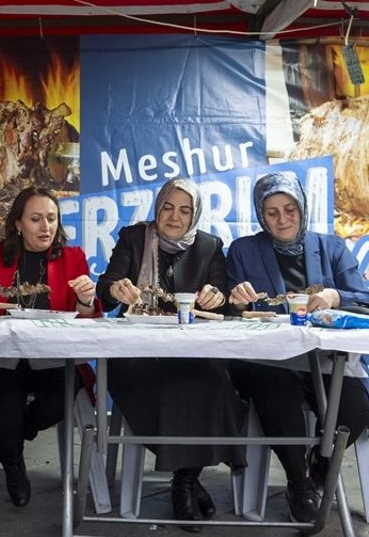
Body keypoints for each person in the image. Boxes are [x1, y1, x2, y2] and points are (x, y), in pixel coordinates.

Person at [224, 173, 369, 523]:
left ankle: (319, 468)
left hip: (327, 357)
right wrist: (238, 301)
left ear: (302, 208)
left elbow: (364, 299)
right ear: (261, 215)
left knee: (354, 408)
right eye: (272, 212)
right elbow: (229, 311)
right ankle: (298, 483)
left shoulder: (332, 247)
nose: (282, 219)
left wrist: (334, 296)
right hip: (268, 359)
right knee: (276, 393)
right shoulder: (244, 250)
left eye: (289, 209)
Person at [96, 178, 243, 531]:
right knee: (170, 387)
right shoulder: (134, 238)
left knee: (216, 382)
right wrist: (116, 289)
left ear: (195, 215)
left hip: (193, 352)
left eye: (184, 210)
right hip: (136, 353)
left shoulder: (209, 246)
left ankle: (185, 480)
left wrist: (216, 297)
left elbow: (224, 300)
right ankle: (187, 481)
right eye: (168, 207)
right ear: (157, 207)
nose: (175, 217)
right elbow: (105, 288)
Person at [0, 186, 100, 507]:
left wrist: (85, 299)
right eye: (36, 219)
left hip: (55, 357)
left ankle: (9, 440)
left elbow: (88, 318)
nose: (45, 227)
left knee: (63, 394)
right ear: (18, 224)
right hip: (3, 356)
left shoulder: (73, 257)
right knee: (7, 397)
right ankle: (13, 467)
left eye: (51, 218)